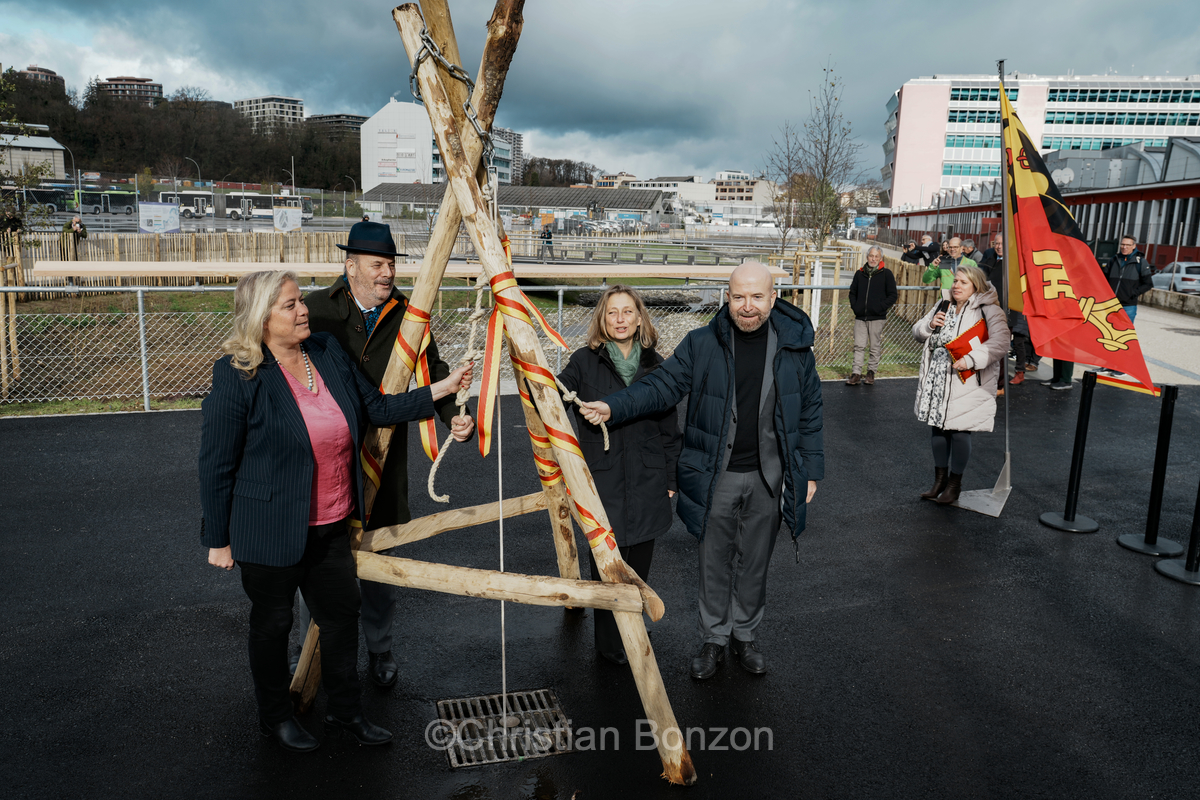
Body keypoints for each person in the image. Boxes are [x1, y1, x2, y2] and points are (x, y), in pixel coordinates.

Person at [199, 270, 473, 752]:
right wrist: (218, 539)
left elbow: (377, 408)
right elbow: (217, 463)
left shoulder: (324, 352)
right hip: (268, 530)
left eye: (300, 301)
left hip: (330, 523)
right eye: (289, 305)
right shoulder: (239, 374)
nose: (303, 310)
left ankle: (345, 712)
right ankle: (275, 718)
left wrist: (441, 388)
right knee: (273, 625)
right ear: (262, 317)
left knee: (342, 618)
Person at [578, 262, 823, 680]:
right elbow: (659, 386)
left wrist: (811, 470)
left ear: (774, 297)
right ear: (728, 297)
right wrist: (613, 406)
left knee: (755, 562)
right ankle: (714, 638)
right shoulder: (701, 344)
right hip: (717, 474)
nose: (748, 306)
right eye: (739, 297)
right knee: (713, 561)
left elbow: (811, 410)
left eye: (757, 297)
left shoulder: (794, 348)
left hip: (771, 475)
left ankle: (744, 635)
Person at [304, 220, 475, 688]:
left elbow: (433, 370)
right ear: (350, 266)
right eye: (377, 265)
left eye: (392, 264)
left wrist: (454, 417)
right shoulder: (315, 311)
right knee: (320, 563)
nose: (387, 273)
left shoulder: (409, 314)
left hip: (385, 457)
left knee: (380, 561)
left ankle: (380, 651)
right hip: (325, 460)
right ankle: (313, 657)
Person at [556, 285, 681, 665]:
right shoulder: (583, 362)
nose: (621, 319)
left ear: (640, 318)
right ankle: (610, 646)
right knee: (607, 567)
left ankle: (633, 633)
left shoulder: (658, 367)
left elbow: (669, 429)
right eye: (613, 313)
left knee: (638, 566)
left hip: (647, 477)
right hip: (602, 478)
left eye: (628, 312)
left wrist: (672, 480)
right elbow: (555, 393)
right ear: (603, 319)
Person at [912, 265, 1009, 504]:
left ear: (976, 285)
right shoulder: (942, 304)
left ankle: (954, 485)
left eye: (963, 282)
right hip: (938, 378)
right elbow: (917, 331)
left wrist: (970, 359)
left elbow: (1001, 342)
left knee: (959, 431)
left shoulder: (989, 310)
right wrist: (930, 325)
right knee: (938, 428)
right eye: (955, 281)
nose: (956, 286)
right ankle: (939, 482)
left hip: (967, 379)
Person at [846, 246, 898, 386]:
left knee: (874, 346)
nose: (873, 259)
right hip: (860, 316)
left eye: (876, 256)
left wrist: (880, 307)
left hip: (877, 317)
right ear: (867, 256)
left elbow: (893, 295)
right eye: (871, 256)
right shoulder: (859, 273)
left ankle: (871, 373)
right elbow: (852, 293)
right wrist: (856, 307)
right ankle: (856, 373)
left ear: (880, 258)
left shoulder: (886, 274)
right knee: (859, 346)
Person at [1104, 234, 1153, 324]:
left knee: (1125, 333)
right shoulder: (1113, 260)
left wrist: (1132, 293)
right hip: (1110, 303)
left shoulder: (1140, 262)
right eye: (1122, 244)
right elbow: (1103, 280)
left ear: (1134, 246)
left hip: (1128, 306)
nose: (1124, 247)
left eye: (1128, 245)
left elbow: (1148, 284)